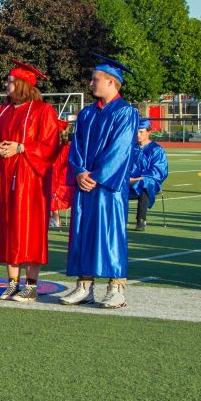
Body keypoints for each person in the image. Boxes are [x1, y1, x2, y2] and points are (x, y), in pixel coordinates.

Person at [60, 54, 139, 309]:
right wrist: (80, 171)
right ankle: (84, 286)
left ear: (112, 82)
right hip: (86, 183)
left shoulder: (126, 113)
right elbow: (77, 147)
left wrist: (96, 176)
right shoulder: (86, 114)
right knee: (82, 233)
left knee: (110, 234)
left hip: (108, 187)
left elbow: (120, 150)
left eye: (96, 80)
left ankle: (116, 288)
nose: (91, 84)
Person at [0, 60, 59, 301]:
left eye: (11, 81)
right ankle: (12, 283)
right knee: (7, 228)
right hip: (4, 178)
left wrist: (22, 147)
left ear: (23, 84)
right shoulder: (1, 111)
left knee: (29, 229)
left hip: (30, 180)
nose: (7, 85)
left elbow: (50, 145)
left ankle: (31, 285)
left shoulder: (42, 111)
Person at [128, 117, 169, 231]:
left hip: (150, 180)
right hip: (129, 179)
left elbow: (159, 170)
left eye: (141, 132)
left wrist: (141, 177)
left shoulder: (156, 150)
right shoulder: (130, 148)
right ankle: (116, 219)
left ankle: (141, 220)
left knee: (144, 184)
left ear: (149, 132)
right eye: (136, 131)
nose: (138, 135)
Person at [49, 118, 73, 228]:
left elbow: (56, 171)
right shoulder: (68, 148)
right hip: (67, 183)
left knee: (51, 187)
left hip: (62, 185)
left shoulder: (62, 150)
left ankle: (55, 218)